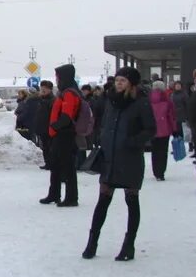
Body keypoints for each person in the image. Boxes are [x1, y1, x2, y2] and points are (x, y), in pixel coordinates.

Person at [83, 67, 156, 261]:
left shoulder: (141, 103)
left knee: (131, 201)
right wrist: (102, 138)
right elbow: (103, 122)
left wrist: (132, 142)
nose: (119, 83)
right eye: (117, 80)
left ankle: (128, 245)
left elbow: (150, 129)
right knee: (102, 201)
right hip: (110, 158)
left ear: (131, 83)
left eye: (123, 80)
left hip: (130, 159)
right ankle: (92, 243)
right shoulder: (111, 101)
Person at [39, 65, 83, 207]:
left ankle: (71, 197)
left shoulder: (69, 93)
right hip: (60, 134)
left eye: (58, 76)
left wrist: (54, 126)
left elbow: (67, 116)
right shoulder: (65, 92)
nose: (57, 79)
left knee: (67, 166)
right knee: (55, 165)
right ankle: (54, 194)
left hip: (65, 135)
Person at [148, 80, 176, 181]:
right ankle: (161, 172)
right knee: (163, 151)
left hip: (152, 129)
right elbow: (171, 116)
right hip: (165, 129)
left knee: (154, 151)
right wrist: (174, 129)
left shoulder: (148, 100)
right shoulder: (167, 100)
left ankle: (156, 171)